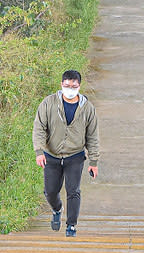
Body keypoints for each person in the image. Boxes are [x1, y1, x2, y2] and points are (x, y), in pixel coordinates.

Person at [33, 69, 99, 237]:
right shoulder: (48, 104)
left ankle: (71, 226)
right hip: (52, 155)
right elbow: (39, 128)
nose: (70, 89)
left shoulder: (88, 109)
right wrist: (39, 151)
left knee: (73, 190)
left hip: (75, 156)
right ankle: (57, 209)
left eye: (74, 86)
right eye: (67, 85)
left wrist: (94, 162)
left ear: (79, 86)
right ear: (61, 84)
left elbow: (92, 136)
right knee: (50, 191)